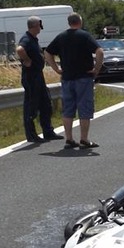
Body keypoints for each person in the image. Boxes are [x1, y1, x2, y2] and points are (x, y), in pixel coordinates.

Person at [44, 12, 104, 149]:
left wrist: (56, 68)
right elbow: (100, 52)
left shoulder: (61, 37)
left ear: (69, 22)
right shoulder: (85, 35)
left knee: (68, 109)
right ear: (80, 22)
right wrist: (96, 69)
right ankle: (84, 139)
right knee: (84, 108)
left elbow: (47, 52)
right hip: (84, 77)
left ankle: (69, 139)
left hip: (67, 78)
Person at [16, 16, 61, 143]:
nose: (40, 29)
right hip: (31, 77)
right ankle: (31, 135)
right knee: (31, 106)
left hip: (38, 76)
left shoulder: (33, 39)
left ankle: (48, 132)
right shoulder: (26, 39)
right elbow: (19, 49)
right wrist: (27, 60)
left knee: (46, 104)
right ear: (34, 26)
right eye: (39, 26)